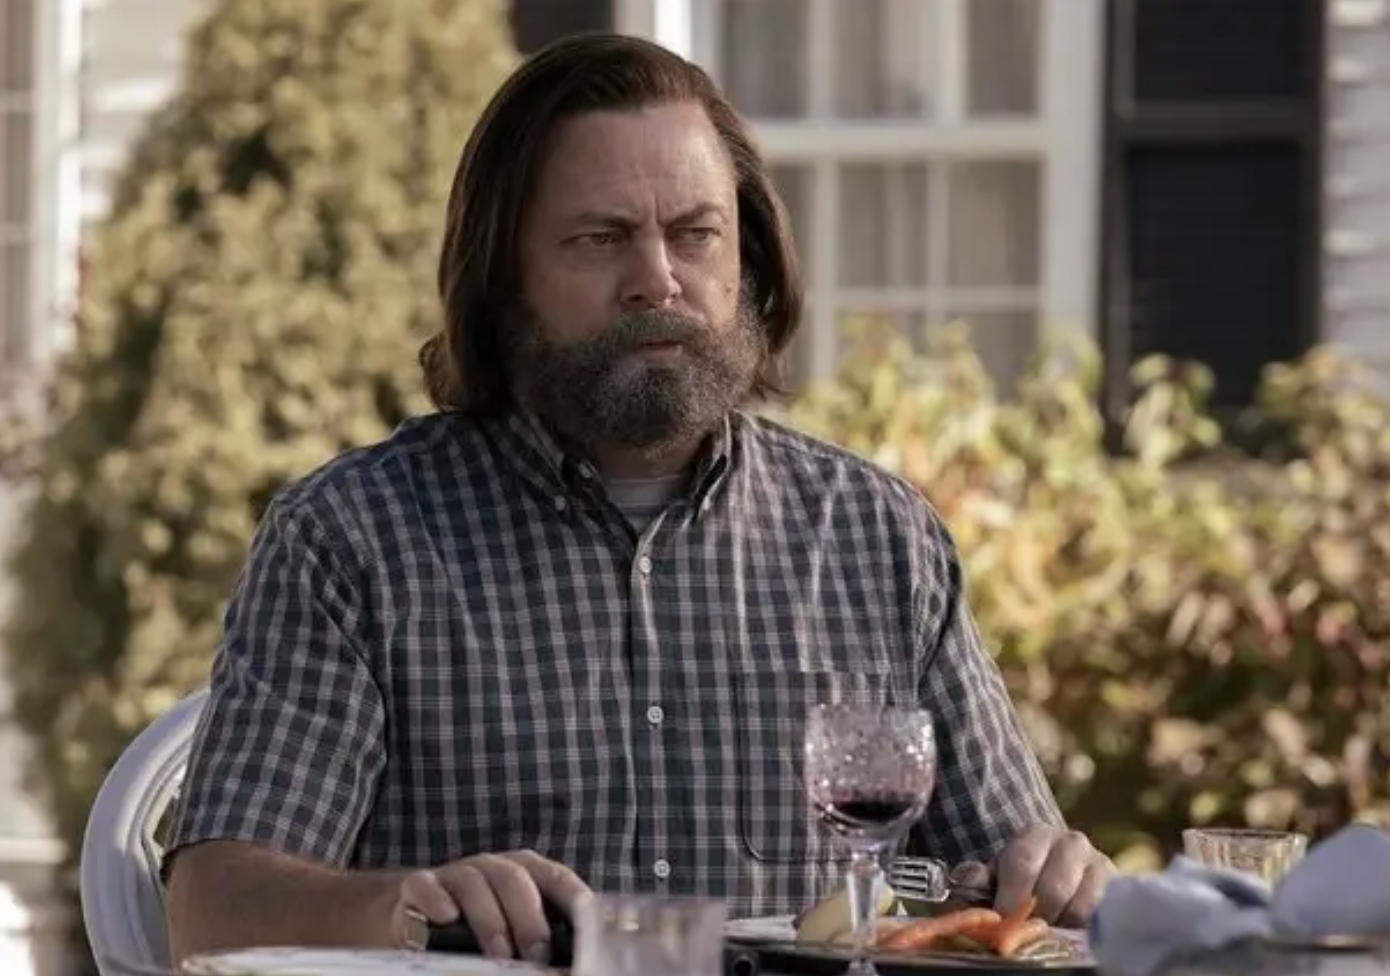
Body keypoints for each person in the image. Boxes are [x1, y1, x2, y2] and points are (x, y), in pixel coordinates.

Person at [162, 31, 1115, 965]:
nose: (656, 279)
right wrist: (405, 904)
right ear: (503, 279)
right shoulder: (352, 540)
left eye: (695, 234)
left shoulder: (879, 539)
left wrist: (1053, 876)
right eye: (599, 238)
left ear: (747, 260)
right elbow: (209, 909)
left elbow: (1013, 882)